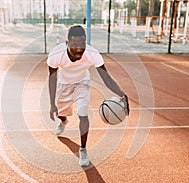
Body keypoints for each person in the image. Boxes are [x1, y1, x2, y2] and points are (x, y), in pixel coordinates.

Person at [47, 25, 129, 167]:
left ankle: (83, 149)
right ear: (67, 43)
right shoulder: (56, 55)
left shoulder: (92, 53)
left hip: (82, 83)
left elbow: (106, 78)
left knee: (83, 114)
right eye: (74, 45)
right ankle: (63, 120)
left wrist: (122, 94)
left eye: (82, 44)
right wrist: (52, 103)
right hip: (63, 84)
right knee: (60, 112)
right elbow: (52, 78)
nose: (79, 48)